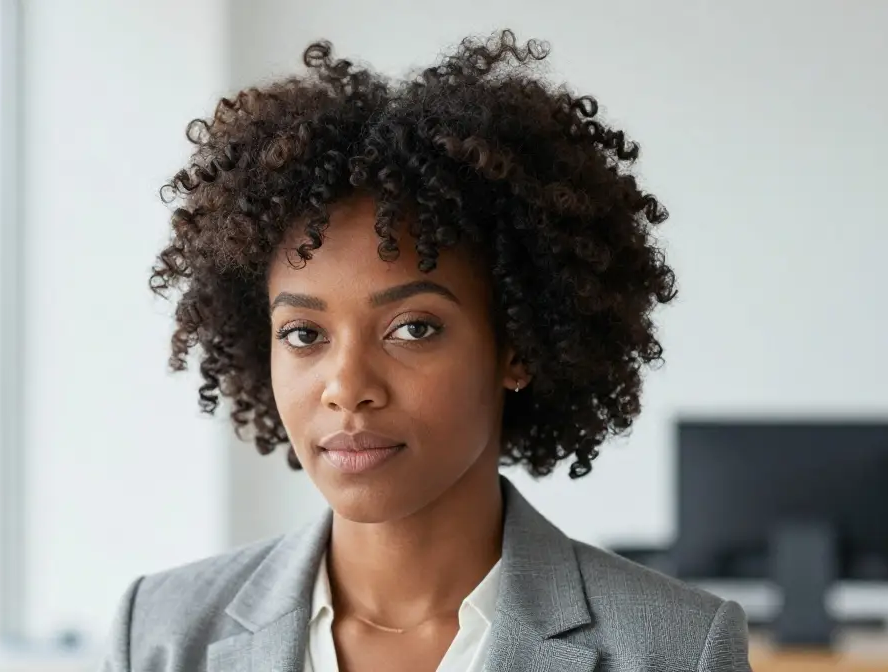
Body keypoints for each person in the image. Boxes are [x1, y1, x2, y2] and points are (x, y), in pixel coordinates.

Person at [102, 30, 751, 672]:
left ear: (515, 346)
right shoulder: (161, 633)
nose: (346, 385)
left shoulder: (673, 649)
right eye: (304, 334)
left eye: (413, 327)